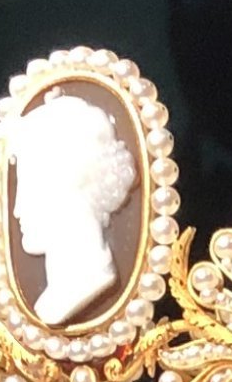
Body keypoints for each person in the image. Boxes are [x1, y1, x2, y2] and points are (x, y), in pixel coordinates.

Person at [10, 91, 137, 325]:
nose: (17, 208)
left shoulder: (92, 282)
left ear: (72, 180)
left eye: (29, 185)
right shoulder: (50, 301)